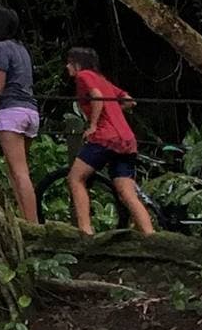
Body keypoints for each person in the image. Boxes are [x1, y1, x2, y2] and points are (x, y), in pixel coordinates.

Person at [64, 46, 154, 236]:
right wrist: (114, 110)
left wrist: (94, 125)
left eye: (70, 62)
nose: (67, 66)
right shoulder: (103, 79)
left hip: (106, 138)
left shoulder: (84, 76)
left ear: (77, 64)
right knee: (126, 192)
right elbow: (129, 101)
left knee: (75, 178)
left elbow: (97, 97)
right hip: (127, 140)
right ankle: (150, 234)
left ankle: (85, 231)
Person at [0, 7, 40, 225]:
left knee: (19, 173)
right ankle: (25, 217)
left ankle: (32, 224)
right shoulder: (22, 49)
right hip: (31, 111)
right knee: (17, 172)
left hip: (11, 112)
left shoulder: (1, 48)